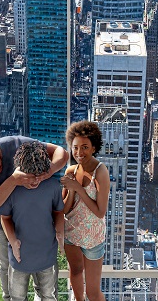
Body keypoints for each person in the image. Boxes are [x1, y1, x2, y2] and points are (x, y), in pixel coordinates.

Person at [0, 136, 68, 301]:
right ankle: (9, 298)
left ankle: (40, 296)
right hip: (0, 223)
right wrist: (13, 181)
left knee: (41, 266)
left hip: (34, 220)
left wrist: (48, 172)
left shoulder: (16, 144)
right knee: (7, 265)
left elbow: (61, 153)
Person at [1, 141, 64, 301]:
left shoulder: (53, 186)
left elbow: (58, 211)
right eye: (30, 177)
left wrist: (60, 233)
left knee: (49, 297)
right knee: (17, 297)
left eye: (39, 176)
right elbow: (5, 217)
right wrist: (13, 241)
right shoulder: (11, 188)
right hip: (19, 258)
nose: (35, 181)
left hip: (47, 256)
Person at [61, 121, 109, 301]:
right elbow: (64, 209)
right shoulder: (71, 170)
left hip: (93, 237)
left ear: (94, 147)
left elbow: (100, 212)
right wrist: (72, 190)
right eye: (75, 148)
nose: (79, 153)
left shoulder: (101, 172)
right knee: (75, 274)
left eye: (85, 147)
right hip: (71, 233)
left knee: (93, 293)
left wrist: (79, 188)